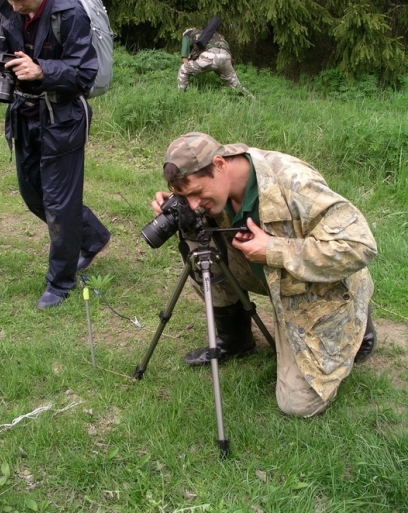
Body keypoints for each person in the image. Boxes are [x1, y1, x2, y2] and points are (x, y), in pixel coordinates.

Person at [152, 132, 377, 417]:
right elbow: (192, 194)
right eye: (186, 195)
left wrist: (273, 249)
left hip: (315, 287)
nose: (194, 202)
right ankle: (235, 340)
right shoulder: (217, 169)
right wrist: (176, 205)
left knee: (296, 405)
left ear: (220, 164)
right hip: (268, 273)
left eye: (197, 193)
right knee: (196, 242)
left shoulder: (294, 182)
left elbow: (361, 246)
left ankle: (356, 322)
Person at [0, 0, 111, 310]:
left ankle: (60, 282)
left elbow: (84, 74)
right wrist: (5, 63)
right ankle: (92, 236)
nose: (16, 6)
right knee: (32, 193)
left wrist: (42, 71)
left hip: (63, 116)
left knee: (59, 202)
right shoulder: (7, 5)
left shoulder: (69, 12)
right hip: (23, 113)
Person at [177, 27, 245, 92]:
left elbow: (185, 58)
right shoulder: (210, 33)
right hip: (226, 57)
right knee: (236, 86)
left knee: (183, 69)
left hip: (210, 56)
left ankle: (181, 94)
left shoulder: (187, 35)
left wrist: (190, 69)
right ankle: (250, 99)